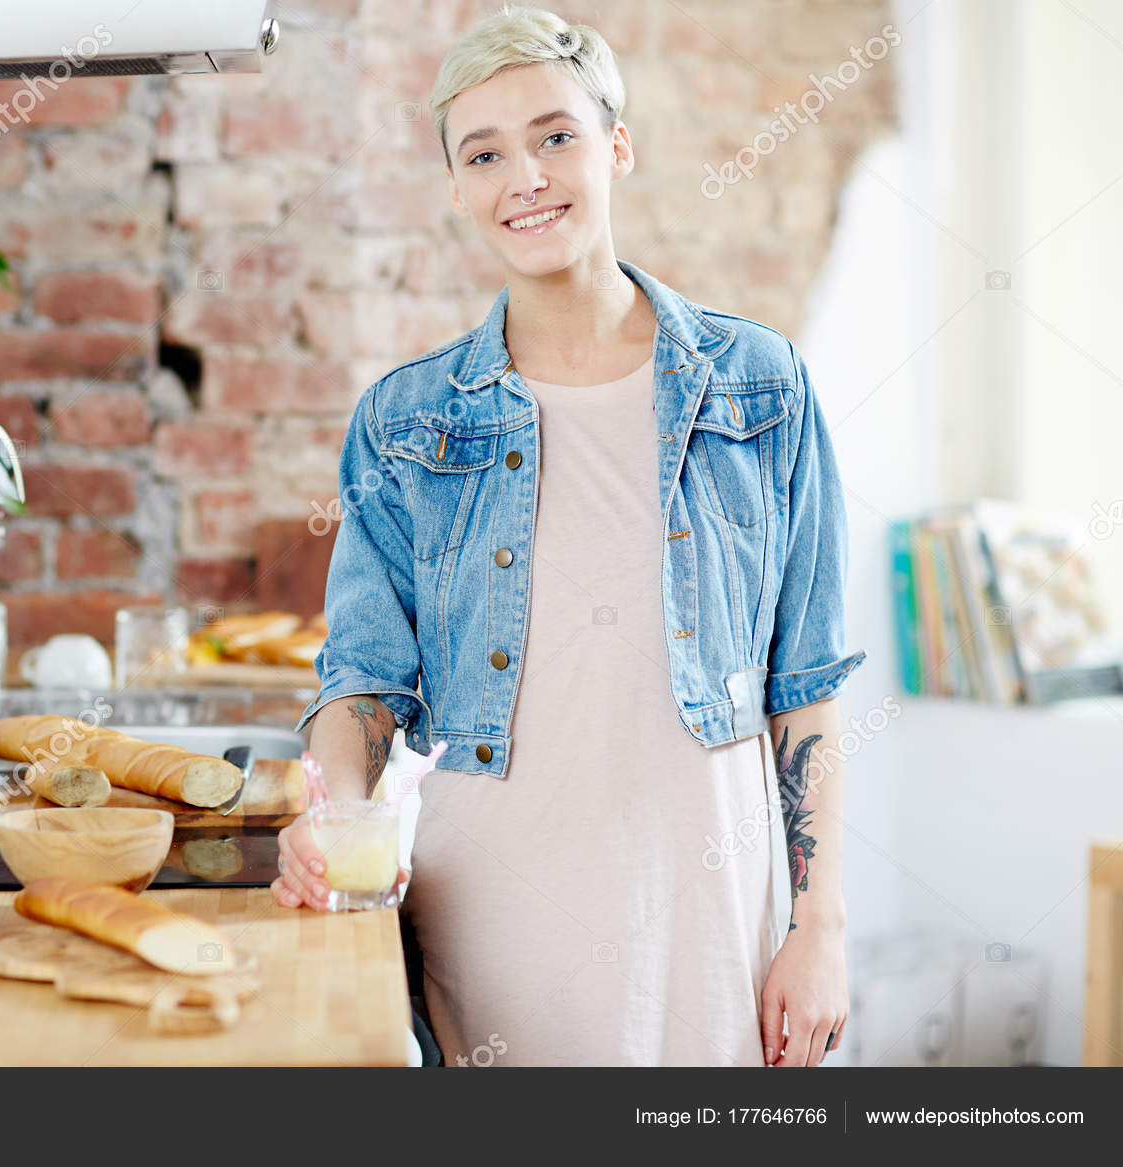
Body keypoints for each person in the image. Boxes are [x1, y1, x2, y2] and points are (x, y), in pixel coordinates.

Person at [272, 4, 865, 1068]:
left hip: (710, 906)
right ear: (457, 189)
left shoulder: (759, 387)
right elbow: (362, 678)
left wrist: (815, 925)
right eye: (485, 153)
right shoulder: (408, 423)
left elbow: (804, 679)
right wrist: (332, 818)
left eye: (556, 136)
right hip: (493, 913)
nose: (526, 178)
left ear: (616, 148)